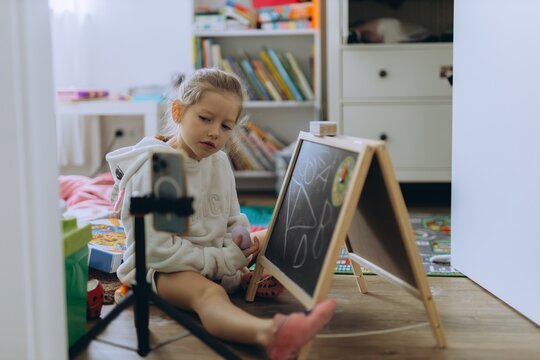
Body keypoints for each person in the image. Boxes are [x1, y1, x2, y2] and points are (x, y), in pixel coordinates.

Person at [106, 68, 336, 359]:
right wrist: (225, 261)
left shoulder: (220, 162)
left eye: (226, 126)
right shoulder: (164, 168)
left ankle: (251, 279)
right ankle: (272, 335)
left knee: (278, 230)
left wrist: (240, 240)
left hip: (211, 256)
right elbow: (159, 251)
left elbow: (231, 219)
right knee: (209, 294)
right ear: (178, 112)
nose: (215, 132)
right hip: (162, 269)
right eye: (205, 119)